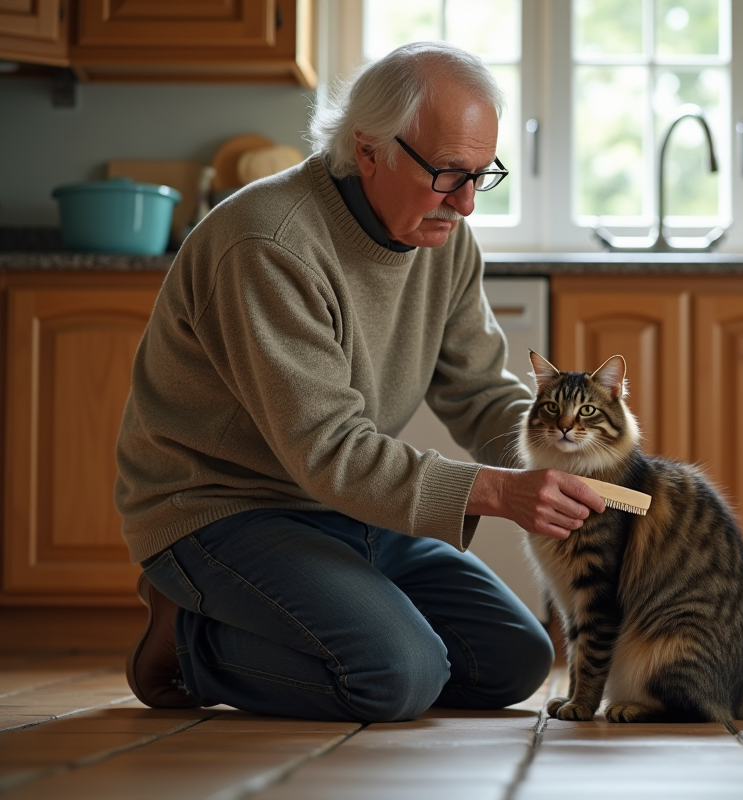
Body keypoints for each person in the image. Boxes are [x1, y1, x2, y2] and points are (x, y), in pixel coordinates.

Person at [115, 41, 606, 722]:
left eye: (481, 174)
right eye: (446, 174)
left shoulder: (443, 237)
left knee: (515, 659)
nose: (465, 204)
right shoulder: (269, 245)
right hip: (221, 510)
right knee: (398, 676)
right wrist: (502, 491)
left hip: (341, 506)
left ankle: (317, 620)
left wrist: (576, 464)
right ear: (369, 149)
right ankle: (189, 639)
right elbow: (328, 449)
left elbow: (477, 392)